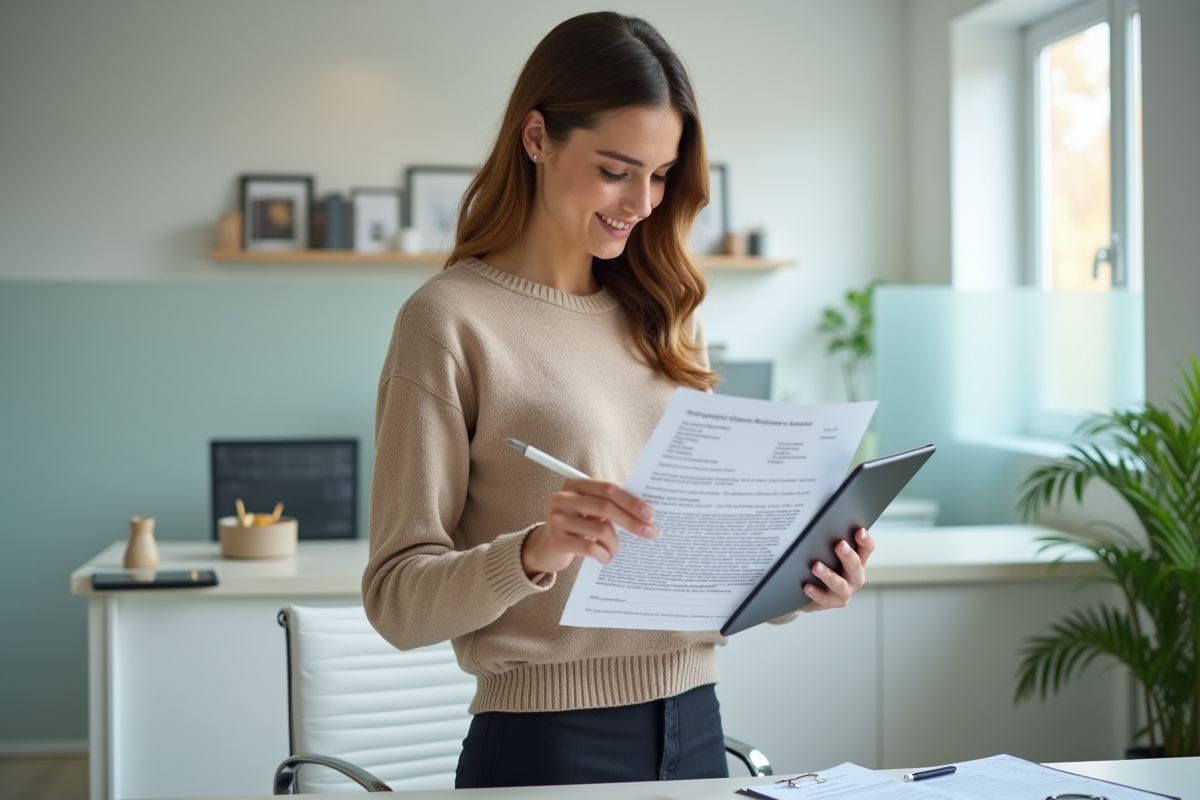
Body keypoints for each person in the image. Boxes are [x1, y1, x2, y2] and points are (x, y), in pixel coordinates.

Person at [362, 11, 874, 789]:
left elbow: (684, 557)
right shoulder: (447, 321)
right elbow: (397, 602)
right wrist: (533, 552)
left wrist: (798, 576)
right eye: (615, 169)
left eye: (662, 174)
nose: (641, 201)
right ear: (536, 137)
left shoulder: (667, 315)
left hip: (698, 722)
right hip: (544, 746)